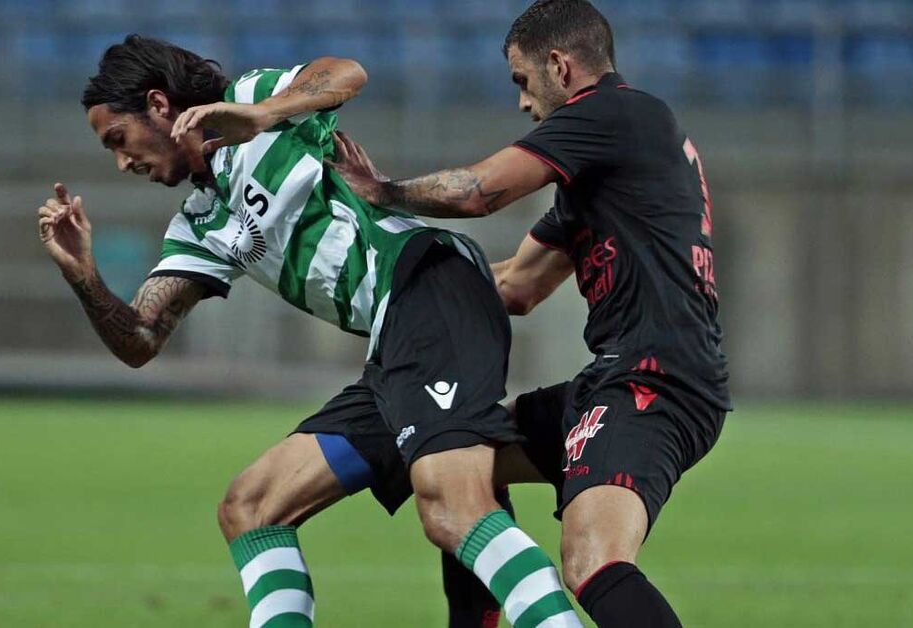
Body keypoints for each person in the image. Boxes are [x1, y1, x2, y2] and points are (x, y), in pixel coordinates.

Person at [36, 35, 582, 628]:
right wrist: (84, 276)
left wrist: (262, 114)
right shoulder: (198, 226)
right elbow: (141, 340)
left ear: (159, 105)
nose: (122, 163)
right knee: (251, 508)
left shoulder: (251, 100)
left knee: (455, 505)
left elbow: (346, 72)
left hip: (429, 282)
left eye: (118, 139)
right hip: (394, 339)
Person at [332, 1, 732, 625]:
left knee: (593, 561)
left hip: (655, 381)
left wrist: (381, 191)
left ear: (559, 66)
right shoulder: (605, 166)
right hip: (623, 375)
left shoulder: (610, 113)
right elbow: (517, 286)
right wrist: (399, 292)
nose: (523, 102)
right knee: (465, 458)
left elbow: (478, 191)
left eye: (523, 81)